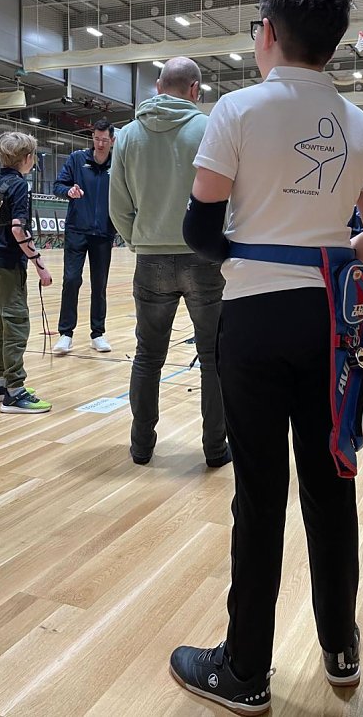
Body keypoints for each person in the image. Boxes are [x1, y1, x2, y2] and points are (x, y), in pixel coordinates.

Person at [168, 0, 363, 715]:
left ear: (267, 32)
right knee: (332, 484)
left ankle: (245, 670)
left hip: (256, 321)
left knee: (259, 496)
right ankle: (339, 647)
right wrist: (326, 255)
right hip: (334, 324)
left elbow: (199, 230)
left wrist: (251, 252)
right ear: (329, 46)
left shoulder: (235, 109)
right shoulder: (362, 126)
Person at [109, 57, 229, 469]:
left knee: (148, 355)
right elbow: (229, 198)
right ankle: (216, 448)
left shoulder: (126, 136)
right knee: (214, 357)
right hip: (204, 258)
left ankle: (142, 446)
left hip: (151, 260)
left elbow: (118, 205)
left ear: (159, 87)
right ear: (195, 90)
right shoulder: (210, 128)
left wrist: (136, 239)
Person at [0, 132, 53, 414]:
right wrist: (39, 263)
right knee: (16, 323)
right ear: (27, 159)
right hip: (8, 263)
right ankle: (15, 392)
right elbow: (18, 228)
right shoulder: (19, 186)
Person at [52, 119, 116, 355]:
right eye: (96, 139)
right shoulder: (77, 159)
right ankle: (65, 334)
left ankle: (98, 333)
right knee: (71, 280)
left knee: (99, 285)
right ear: (92, 137)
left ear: (112, 140)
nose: (100, 144)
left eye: (105, 140)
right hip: (76, 231)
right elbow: (58, 185)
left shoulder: (118, 163)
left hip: (104, 233)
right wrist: (68, 191)